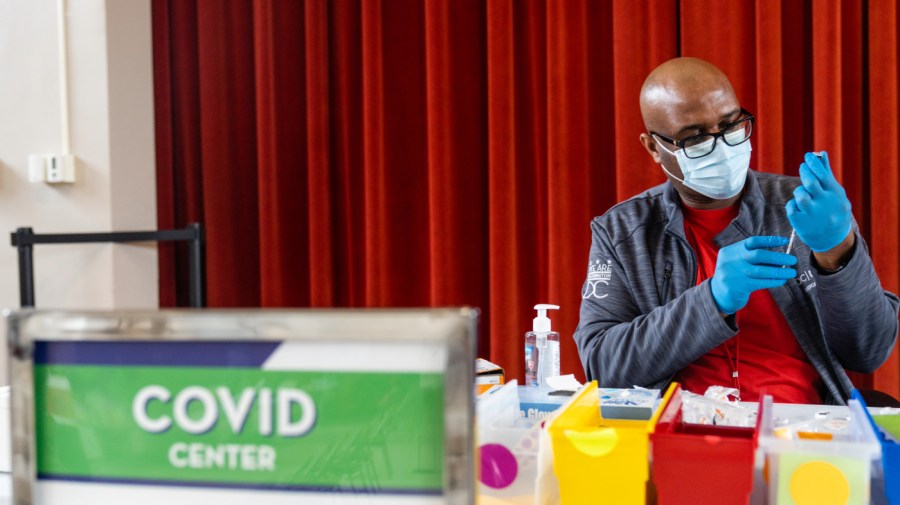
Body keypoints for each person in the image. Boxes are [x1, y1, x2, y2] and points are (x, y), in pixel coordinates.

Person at [574, 57, 899, 405]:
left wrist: (839, 251)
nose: (722, 145)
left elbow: (869, 351)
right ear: (654, 147)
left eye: (730, 125)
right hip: (680, 432)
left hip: (800, 431)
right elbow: (603, 367)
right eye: (695, 137)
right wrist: (712, 299)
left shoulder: (806, 207)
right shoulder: (623, 232)